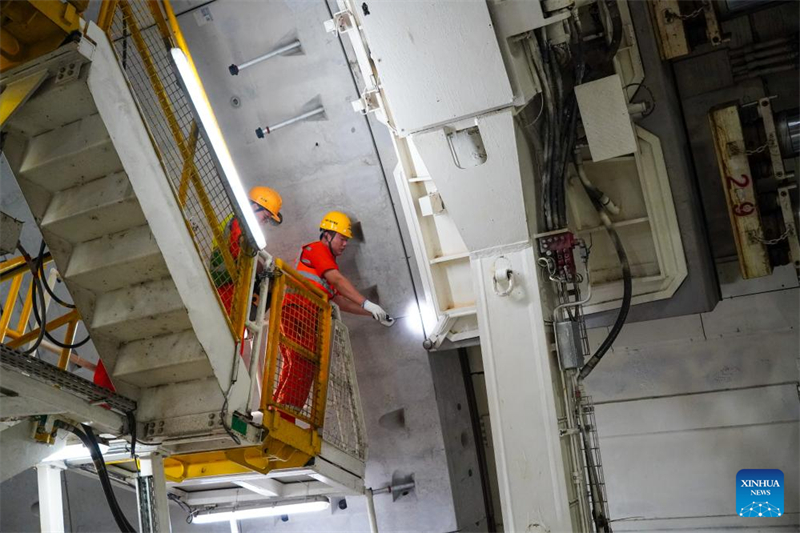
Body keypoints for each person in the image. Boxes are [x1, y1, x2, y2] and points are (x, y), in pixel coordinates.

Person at [273, 211, 392, 417]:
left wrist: (371, 313)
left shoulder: (326, 265)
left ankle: (279, 412)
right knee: (302, 363)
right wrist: (367, 303)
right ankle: (283, 415)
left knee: (299, 364)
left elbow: (339, 300)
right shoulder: (317, 250)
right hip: (298, 312)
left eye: (346, 240)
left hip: (306, 317)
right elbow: (337, 281)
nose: (345, 244)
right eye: (342, 238)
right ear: (327, 235)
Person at [212, 186, 283, 314]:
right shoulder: (240, 222)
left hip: (231, 285)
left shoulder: (241, 224)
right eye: (265, 217)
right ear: (255, 206)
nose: (264, 222)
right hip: (225, 285)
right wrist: (263, 270)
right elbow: (240, 252)